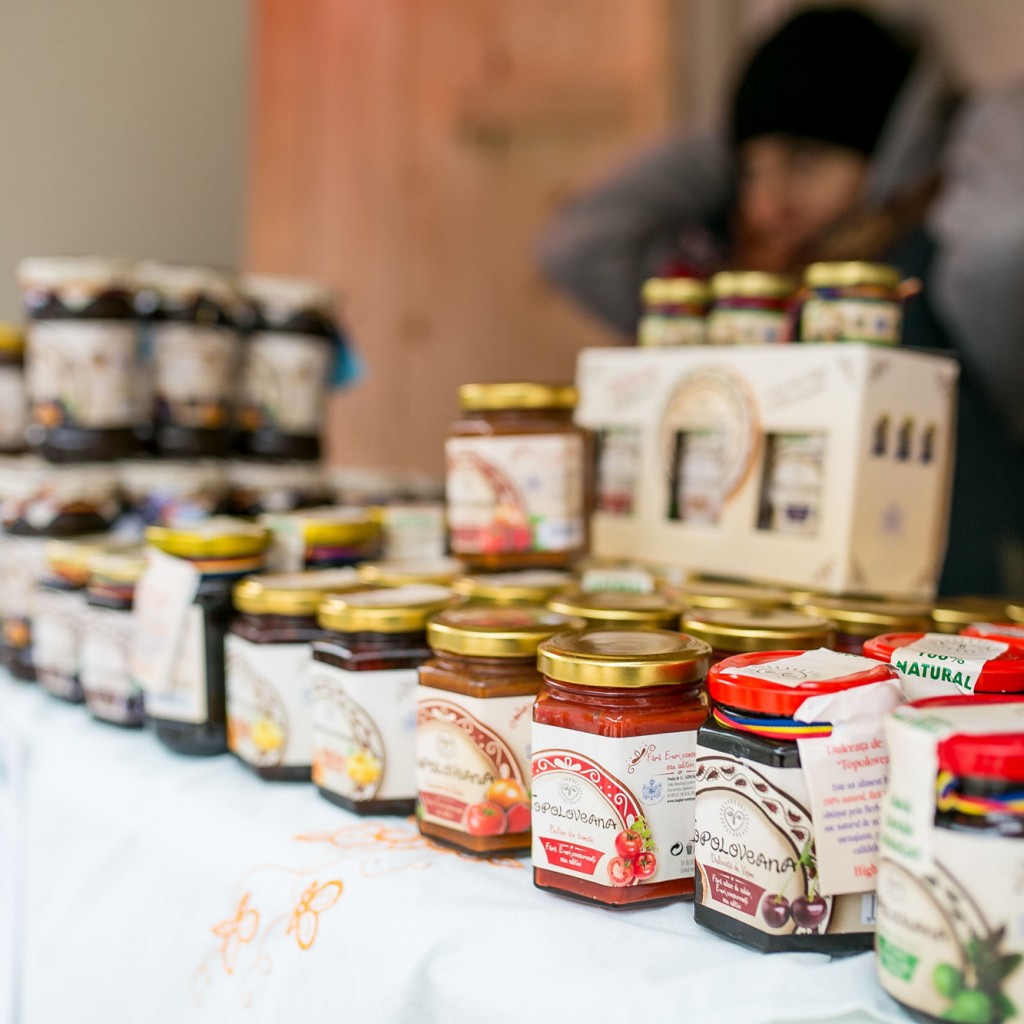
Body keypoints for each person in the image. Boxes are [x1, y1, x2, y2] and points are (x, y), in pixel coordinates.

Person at [538, 5, 1024, 597]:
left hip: (951, 619)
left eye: (802, 162)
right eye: (750, 171)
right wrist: (742, 125)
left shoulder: (950, 270)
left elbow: (1008, 230)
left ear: (889, 153)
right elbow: (576, 248)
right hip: (758, 622)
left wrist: (952, 120)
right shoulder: (727, 269)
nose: (768, 206)